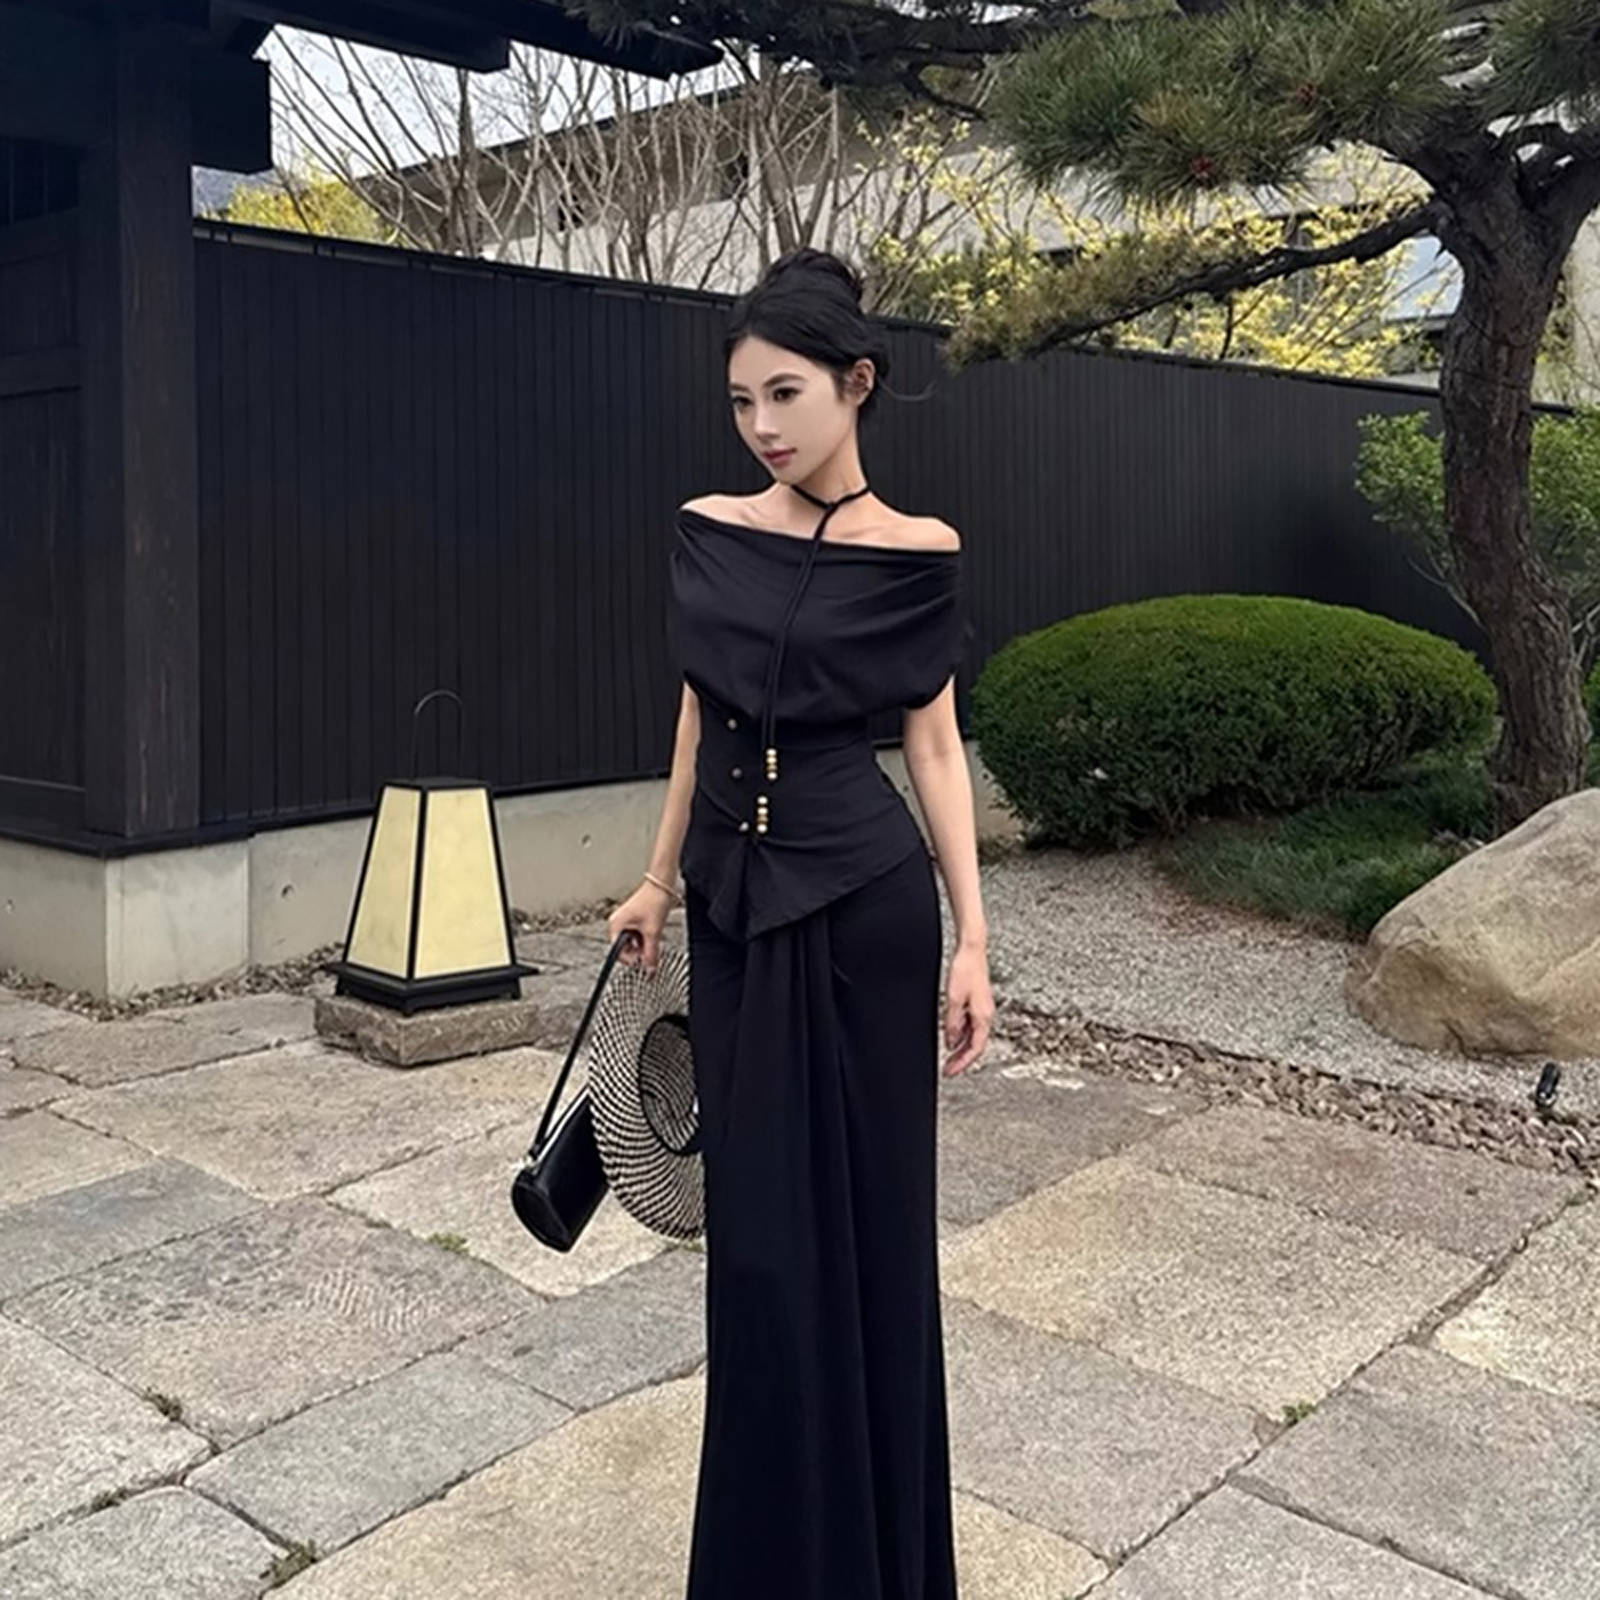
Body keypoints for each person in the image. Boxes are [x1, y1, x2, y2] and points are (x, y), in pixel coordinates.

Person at [607, 247, 994, 1600]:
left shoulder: (918, 554)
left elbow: (933, 749)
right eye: (742, 400)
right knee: (760, 1249)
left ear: (856, 384)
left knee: (876, 1237)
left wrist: (973, 941)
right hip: (734, 916)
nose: (762, 424)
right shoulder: (710, 527)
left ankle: (879, 1566)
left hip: (867, 914)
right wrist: (658, 879)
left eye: (786, 393)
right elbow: (696, 715)